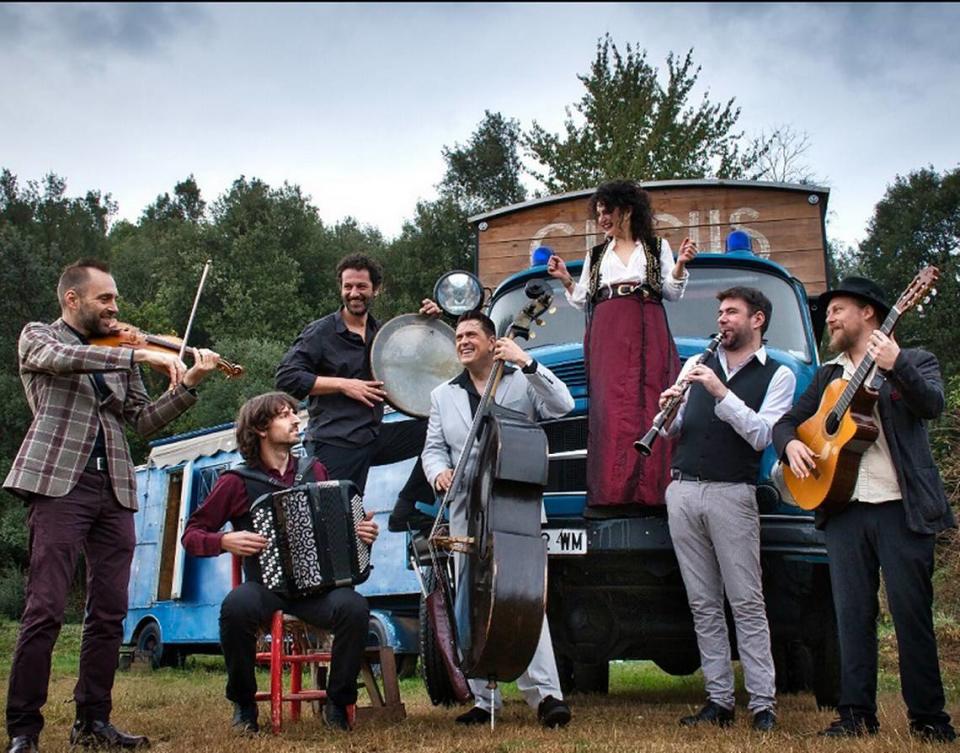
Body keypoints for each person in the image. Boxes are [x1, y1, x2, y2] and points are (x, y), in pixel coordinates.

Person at [3, 259, 221, 753]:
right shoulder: (39, 335)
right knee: (45, 609)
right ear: (72, 299)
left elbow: (142, 422)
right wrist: (141, 355)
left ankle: (92, 721)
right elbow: (60, 359)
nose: (115, 309)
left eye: (116, 300)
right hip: (59, 481)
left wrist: (187, 387)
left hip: (115, 488)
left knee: (110, 612)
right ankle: (24, 730)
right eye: (105, 299)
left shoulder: (120, 351)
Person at [773, 277, 956, 742]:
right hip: (844, 508)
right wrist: (791, 445)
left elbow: (932, 404)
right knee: (851, 614)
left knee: (911, 613)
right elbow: (786, 423)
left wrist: (897, 368)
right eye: (829, 311)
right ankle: (855, 715)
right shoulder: (829, 375)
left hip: (900, 508)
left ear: (869, 314)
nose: (829, 318)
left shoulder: (913, 361)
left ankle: (930, 719)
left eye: (838, 309)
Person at [181, 392, 379, 734]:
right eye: (285, 415)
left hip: (319, 591)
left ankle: (337, 703)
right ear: (260, 428)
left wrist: (360, 530)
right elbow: (192, 534)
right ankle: (244, 705)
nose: (296, 419)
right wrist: (224, 541)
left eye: (294, 413)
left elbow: (337, 523)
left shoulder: (313, 470)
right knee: (236, 607)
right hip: (267, 587)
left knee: (355, 608)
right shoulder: (237, 481)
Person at [421, 310, 575, 728]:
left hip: (513, 509)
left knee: (523, 600)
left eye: (472, 334)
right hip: (465, 511)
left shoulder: (522, 382)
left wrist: (528, 362)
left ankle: (546, 696)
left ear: (493, 342)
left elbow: (563, 405)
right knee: (471, 601)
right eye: (458, 336)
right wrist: (438, 472)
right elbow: (433, 448)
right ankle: (485, 700)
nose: (463, 341)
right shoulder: (443, 395)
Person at [660, 287, 795, 732]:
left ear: (757, 320)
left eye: (732, 312)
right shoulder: (697, 364)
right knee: (702, 603)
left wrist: (721, 393)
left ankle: (762, 704)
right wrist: (668, 410)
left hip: (733, 494)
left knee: (747, 602)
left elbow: (762, 436)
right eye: (720, 312)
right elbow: (674, 431)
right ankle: (718, 701)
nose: (722, 319)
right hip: (683, 491)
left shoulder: (779, 375)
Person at [547, 179, 697, 512]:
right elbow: (584, 297)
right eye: (598, 213)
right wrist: (565, 279)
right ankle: (613, 492)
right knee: (610, 404)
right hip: (609, 327)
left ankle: (651, 491)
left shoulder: (656, 248)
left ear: (626, 210)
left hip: (647, 324)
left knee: (650, 397)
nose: (602, 219)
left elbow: (671, 292)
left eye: (607, 211)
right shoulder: (597, 255)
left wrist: (681, 264)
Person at [275, 253, 436, 533]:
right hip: (335, 443)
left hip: (372, 436)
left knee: (439, 428)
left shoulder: (382, 333)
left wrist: (427, 325)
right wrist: (343, 384)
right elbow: (286, 376)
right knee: (337, 529)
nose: (354, 293)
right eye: (348, 286)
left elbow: (415, 367)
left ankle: (406, 509)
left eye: (361, 286)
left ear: (376, 289)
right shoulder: (321, 333)